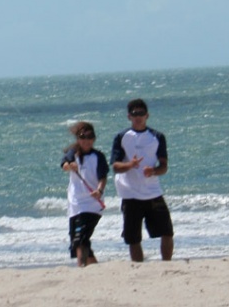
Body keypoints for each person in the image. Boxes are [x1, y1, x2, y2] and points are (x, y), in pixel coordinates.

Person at [110, 98, 174, 262]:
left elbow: (164, 166)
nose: (138, 117)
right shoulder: (122, 137)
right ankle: (138, 267)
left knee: (167, 232)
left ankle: (166, 264)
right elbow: (116, 166)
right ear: (129, 117)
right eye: (134, 114)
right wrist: (130, 165)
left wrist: (154, 171)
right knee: (133, 238)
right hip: (130, 194)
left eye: (141, 113)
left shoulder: (157, 136)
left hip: (153, 192)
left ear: (147, 115)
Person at [60, 121, 108, 267]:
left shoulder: (98, 156)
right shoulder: (72, 153)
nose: (86, 140)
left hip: (92, 205)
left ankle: (81, 268)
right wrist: (69, 166)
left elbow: (103, 177)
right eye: (83, 137)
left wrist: (99, 190)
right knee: (76, 241)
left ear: (93, 139)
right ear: (78, 139)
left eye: (89, 137)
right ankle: (95, 268)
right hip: (75, 204)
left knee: (81, 238)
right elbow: (64, 164)